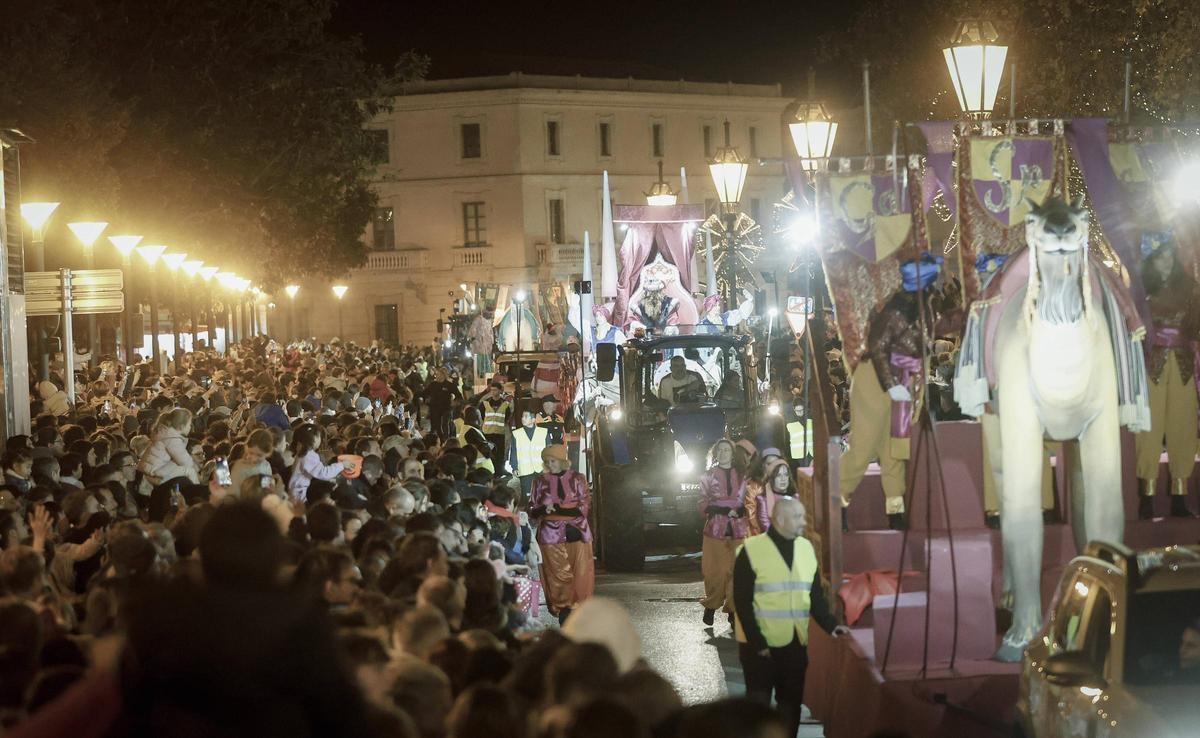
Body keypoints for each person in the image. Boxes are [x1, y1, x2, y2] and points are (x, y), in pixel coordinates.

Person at [839, 254, 943, 531]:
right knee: (864, 447)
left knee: (894, 450)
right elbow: (877, 347)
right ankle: (836, 502)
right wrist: (891, 385)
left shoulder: (926, 308)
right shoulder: (896, 311)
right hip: (875, 381)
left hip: (901, 382)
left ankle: (895, 511)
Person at [732, 496, 850, 737]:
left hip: (795, 643)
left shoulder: (806, 548)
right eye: (798, 517)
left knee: (790, 706)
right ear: (779, 519)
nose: (803, 522)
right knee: (758, 708)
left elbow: (815, 596)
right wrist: (758, 642)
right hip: (759, 647)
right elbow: (742, 602)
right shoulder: (751, 550)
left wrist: (831, 625)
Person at [1135, 233, 1199, 519]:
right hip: (1151, 363)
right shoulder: (1137, 291)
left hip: (1183, 364)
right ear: (1151, 260)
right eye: (1161, 256)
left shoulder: (1190, 289)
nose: (1167, 261)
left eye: (1170, 256)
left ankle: (1179, 495)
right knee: (1148, 429)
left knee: (1182, 428)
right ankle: (1146, 497)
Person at [528, 444, 593, 625]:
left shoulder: (578, 479)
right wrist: (543, 509)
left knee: (580, 573)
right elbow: (532, 507)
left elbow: (585, 504)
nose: (550, 464)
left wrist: (563, 512)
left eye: (553, 461)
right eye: (547, 461)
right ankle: (565, 610)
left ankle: (578, 610)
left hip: (577, 532)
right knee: (557, 575)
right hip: (550, 535)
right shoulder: (539, 481)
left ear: (563, 461)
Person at [698, 439, 747, 627]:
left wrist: (741, 510)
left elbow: (748, 499)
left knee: (737, 572)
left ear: (732, 453)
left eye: (727, 450)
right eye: (721, 450)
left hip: (739, 530)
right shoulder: (708, 476)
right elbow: (702, 503)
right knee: (715, 571)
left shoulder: (742, 475)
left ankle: (734, 612)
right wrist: (721, 510)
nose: (724, 453)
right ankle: (711, 605)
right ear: (716, 453)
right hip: (715, 530)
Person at [287, 423, 352, 502]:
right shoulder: (308, 455)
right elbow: (323, 473)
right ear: (312, 439)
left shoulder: (303, 452)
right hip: (299, 493)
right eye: (319, 436)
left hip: (296, 490)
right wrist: (342, 465)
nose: (320, 439)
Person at [138, 407, 199, 484]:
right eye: (189, 424)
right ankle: (197, 491)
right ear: (181, 426)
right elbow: (185, 462)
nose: (190, 427)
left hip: (151, 468)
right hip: (154, 470)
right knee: (190, 471)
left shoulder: (166, 433)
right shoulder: (172, 438)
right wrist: (196, 467)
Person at [743, 458, 795, 537]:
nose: (783, 479)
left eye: (786, 475)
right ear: (771, 478)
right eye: (778, 475)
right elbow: (765, 526)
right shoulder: (762, 500)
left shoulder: (796, 497)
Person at [508, 410, 549, 501]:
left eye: (526, 416)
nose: (523, 418)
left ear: (533, 419)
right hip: (525, 471)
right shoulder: (516, 434)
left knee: (542, 495)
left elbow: (549, 451)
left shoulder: (544, 432)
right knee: (527, 497)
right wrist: (514, 467)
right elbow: (513, 452)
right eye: (522, 416)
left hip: (541, 469)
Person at [479, 383, 511, 473]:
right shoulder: (485, 403)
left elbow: (506, 418)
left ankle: (499, 470)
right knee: (489, 453)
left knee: (500, 454)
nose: (493, 392)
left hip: (499, 433)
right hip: (487, 433)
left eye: (495, 390)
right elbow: (481, 417)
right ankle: (490, 471)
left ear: (500, 391)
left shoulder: (505, 404)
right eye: (492, 390)